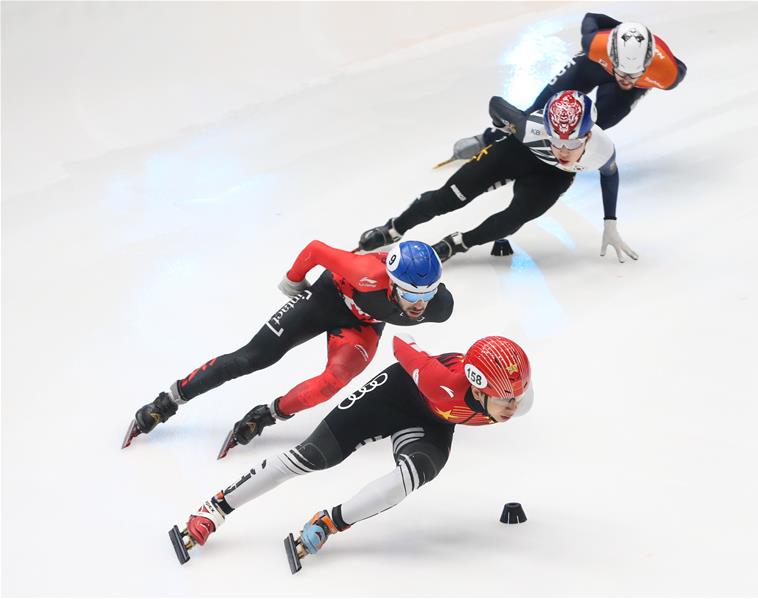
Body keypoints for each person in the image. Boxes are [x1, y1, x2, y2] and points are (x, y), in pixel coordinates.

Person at [169, 334, 534, 570]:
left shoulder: (520, 398)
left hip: (432, 422)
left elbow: (513, 395)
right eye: (505, 399)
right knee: (312, 456)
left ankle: (328, 523)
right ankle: (215, 508)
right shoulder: (439, 381)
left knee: (413, 476)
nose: (513, 407)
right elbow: (401, 343)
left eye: (518, 397)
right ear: (478, 387)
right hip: (394, 395)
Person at [122, 240, 453, 457]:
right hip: (326, 298)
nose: (419, 305)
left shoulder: (439, 307)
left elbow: (423, 299)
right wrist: (293, 280)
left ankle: (265, 415)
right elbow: (316, 249)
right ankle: (167, 401)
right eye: (411, 295)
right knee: (252, 358)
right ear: (392, 283)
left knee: (333, 381)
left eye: (427, 294)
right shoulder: (366, 273)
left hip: (362, 326)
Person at [357, 89, 638, 263]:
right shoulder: (531, 128)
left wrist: (610, 223)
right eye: (556, 140)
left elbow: (610, 176)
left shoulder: (602, 150)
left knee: (511, 222)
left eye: (572, 143)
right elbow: (496, 103)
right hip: (517, 152)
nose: (563, 151)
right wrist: (500, 124)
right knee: (449, 198)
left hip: (552, 177)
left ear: (587, 135)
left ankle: (457, 243)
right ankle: (394, 228)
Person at [449, 14, 687, 162]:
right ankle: (493, 137)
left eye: (633, 74)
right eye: (621, 70)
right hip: (593, 65)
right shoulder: (595, 44)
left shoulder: (668, 75)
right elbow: (592, 17)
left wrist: (633, 78)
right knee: (541, 108)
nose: (625, 79)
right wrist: (619, 30)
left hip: (628, 81)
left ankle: (554, 154)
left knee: (595, 125)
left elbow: (674, 70)